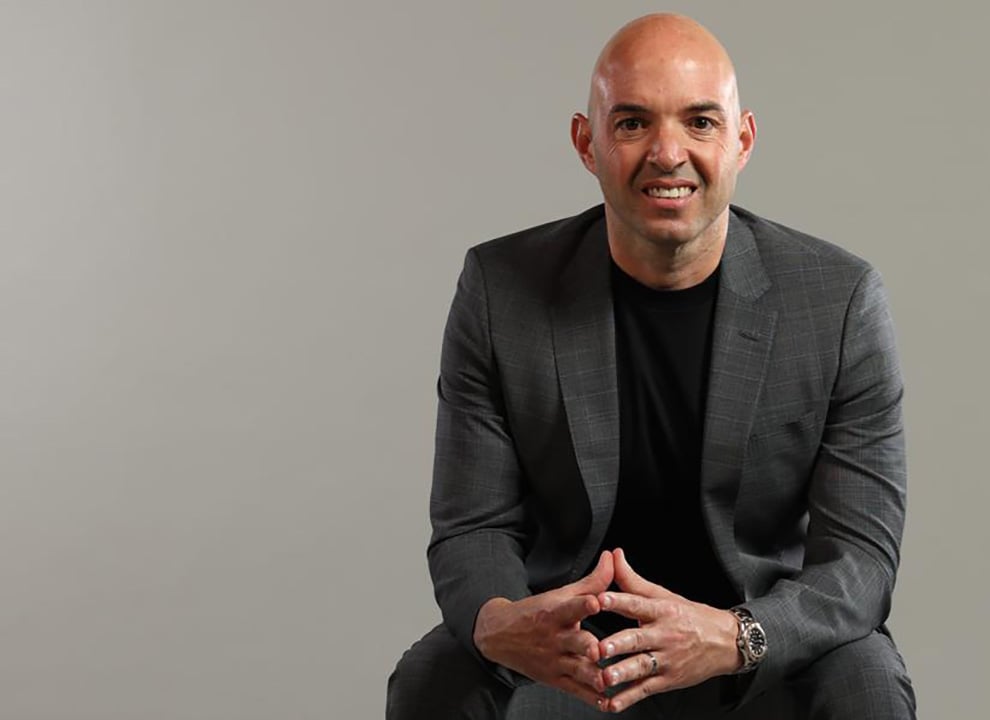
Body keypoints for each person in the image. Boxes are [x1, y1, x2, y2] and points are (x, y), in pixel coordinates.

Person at [388, 13, 916, 719]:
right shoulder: (500, 290)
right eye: (634, 123)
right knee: (433, 680)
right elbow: (471, 524)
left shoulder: (839, 301)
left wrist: (737, 635)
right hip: (574, 646)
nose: (668, 154)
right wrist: (502, 622)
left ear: (742, 140)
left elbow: (861, 560)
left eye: (700, 122)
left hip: (754, 644)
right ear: (587, 143)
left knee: (866, 686)